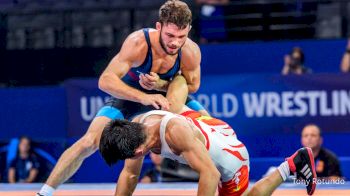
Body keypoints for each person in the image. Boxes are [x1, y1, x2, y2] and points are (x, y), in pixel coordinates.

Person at [37, 1, 209, 195]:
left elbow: (193, 85)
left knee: (210, 129)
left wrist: (160, 84)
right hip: (132, 96)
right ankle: (45, 192)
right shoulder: (139, 42)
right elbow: (105, 80)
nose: (175, 43)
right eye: (170, 35)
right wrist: (144, 97)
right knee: (90, 141)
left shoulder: (190, 51)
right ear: (158, 26)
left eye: (181, 36)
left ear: (189, 30)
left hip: (169, 96)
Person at [99, 75, 317, 196]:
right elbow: (129, 176)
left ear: (138, 152)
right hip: (206, 126)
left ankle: (292, 164)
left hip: (231, 156)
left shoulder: (174, 134)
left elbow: (210, 174)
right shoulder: (136, 126)